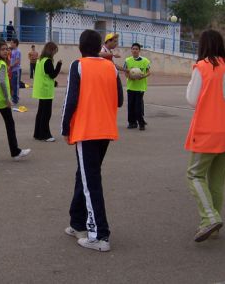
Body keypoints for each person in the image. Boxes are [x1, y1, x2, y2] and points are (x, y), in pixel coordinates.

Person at [61, 29, 123, 252]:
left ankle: (99, 235)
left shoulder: (79, 65)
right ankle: (77, 222)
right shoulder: (111, 68)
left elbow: (71, 99)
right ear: (99, 47)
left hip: (86, 130)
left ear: (80, 47)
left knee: (91, 182)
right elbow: (119, 101)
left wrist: (65, 127)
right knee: (85, 176)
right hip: (105, 130)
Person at [185, 29, 225, 242]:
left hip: (209, 131)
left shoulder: (202, 67)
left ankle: (209, 218)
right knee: (217, 181)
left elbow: (192, 99)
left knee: (195, 174)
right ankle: (213, 222)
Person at [0, 41, 31, 162]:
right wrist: (6, 98)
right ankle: (15, 152)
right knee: (9, 124)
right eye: (3, 49)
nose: (5, 51)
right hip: (1, 99)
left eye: (6, 49)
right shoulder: (1, 64)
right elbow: (2, 82)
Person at [33, 42, 62, 141]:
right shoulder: (48, 61)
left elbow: (45, 75)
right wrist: (59, 65)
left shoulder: (40, 60)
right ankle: (45, 135)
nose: (54, 53)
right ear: (51, 50)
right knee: (46, 114)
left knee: (41, 113)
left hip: (41, 89)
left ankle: (37, 133)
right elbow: (52, 74)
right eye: (54, 51)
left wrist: (54, 83)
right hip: (46, 91)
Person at [123, 43, 151, 130]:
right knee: (130, 106)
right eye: (133, 49)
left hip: (140, 87)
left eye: (136, 49)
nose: (134, 50)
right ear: (131, 50)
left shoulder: (145, 61)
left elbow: (149, 72)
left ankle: (141, 123)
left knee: (137, 106)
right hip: (131, 87)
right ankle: (132, 123)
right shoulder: (127, 60)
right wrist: (129, 77)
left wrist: (143, 76)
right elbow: (125, 72)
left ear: (139, 50)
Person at [10, 39, 22, 104]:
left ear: (15, 43)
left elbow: (17, 61)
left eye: (12, 43)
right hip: (12, 70)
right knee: (12, 84)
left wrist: (11, 66)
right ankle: (14, 97)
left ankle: (15, 100)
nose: (10, 44)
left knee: (16, 85)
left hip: (16, 70)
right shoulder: (12, 51)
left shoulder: (17, 51)